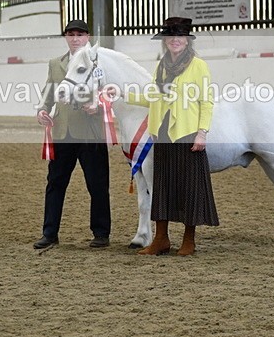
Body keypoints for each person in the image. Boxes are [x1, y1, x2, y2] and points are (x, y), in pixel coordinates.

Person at [121, 16, 219, 256]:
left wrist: (202, 132)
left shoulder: (199, 66)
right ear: (165, 41)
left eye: (180, 37)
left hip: (186, 133)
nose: (175, 41)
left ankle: (189, 240)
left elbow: (206, 101)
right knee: (162, 186)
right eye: (170, 37)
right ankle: (161, 239)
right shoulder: (161, 66)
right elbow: (154, 97)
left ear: (187, 41)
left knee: (189, 187)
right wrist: (122, 94)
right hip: (162, 133)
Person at [34, 19, 111, 250]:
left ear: (87, 37)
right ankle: (49, 233)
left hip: (90, 132)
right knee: (55, 183)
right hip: (62, 132)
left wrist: (99, 105)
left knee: (97, 185)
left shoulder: (100, 63)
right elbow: (48, 93)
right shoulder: (55, 64)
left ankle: (101, 233)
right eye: (70, 34)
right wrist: (42, 111)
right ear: (66, 37)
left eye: (79, 34)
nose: (75, 38)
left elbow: (112, 91)